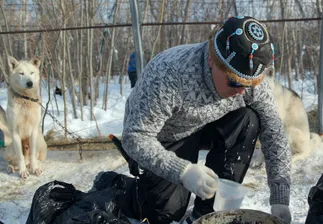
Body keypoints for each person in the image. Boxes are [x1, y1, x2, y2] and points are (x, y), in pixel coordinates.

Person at [96, 16, 292, 224]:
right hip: (165, 136)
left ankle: (207, 213)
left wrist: (280, 196)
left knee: (249, 118)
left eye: (250, 84)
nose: (242, 91)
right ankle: (121, 188)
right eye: (234, 82)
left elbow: (274, 132)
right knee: (166, 213)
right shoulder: (169, 74)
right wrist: (183, 171)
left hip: (206, 126)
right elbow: (135, 138)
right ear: (211, 59)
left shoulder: (247, 76)